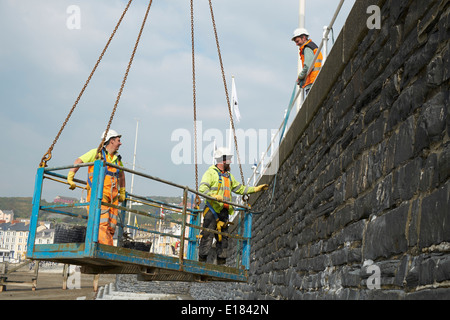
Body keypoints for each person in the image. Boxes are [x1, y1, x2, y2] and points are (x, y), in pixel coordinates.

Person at [198, 147, 268, 265]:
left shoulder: (228, 176)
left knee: (223, 239)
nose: (230, 162)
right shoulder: (210, 173)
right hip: (212, 210)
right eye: (228, 159)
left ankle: (221, 265)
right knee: (207, 236)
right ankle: (200, 263)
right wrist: (213, 196)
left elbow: (240, 188)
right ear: (222, 160)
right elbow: (202, 189)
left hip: (224, 212)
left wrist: (255, 189)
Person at [67, 129, 126, 246]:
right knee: (101, 225)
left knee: (111, 227)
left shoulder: (117, 159)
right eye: (118, 140)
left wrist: (122, 191)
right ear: (111, 141)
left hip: (113, 200)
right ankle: (107, 250)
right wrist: (71, 175)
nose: (120, 143)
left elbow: (122, 175)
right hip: (99, 197)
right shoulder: (97, 153)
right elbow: (79, 161)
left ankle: (104, 247)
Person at [292, 28, 323, 96]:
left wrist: (300, 76)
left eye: (297, 41)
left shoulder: (307, 48)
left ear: (303, 38)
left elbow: (308, 66)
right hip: (316, 79)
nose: (296, 44)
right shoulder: (311, 46)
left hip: (313, 81)